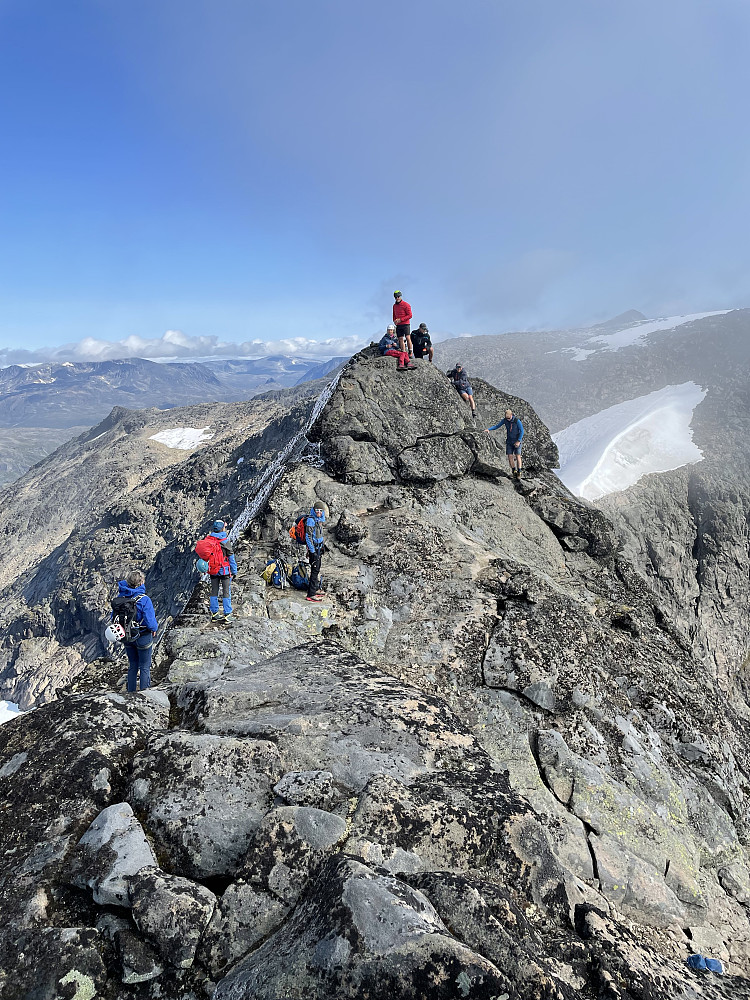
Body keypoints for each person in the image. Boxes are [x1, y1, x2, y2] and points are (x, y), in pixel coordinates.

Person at [115, 570, 158, 692]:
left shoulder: (121, 598)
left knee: (133, 665)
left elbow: (114, 616)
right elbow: (150, 622)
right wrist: (154, 629)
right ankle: (145, 694)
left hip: (127, 636)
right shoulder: (144, 600)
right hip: (143, 635)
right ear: (141, 583)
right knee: (144, 666)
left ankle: (131, 692)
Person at [202, 519, 238, 622]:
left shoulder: (209, 540)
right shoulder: (225, 541)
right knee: (226, 592)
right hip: (224, 570)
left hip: (213, 570)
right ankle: (227, 613)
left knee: (214, 591)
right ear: (222, 528)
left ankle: (214, 613)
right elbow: (231, 557)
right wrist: (234, 571)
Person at [485, 408, 525, 478]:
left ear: (511, 415)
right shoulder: (505, 420)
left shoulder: (517, 421)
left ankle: (519, 471)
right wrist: (489, 429)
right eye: (507, 418)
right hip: (509, 441)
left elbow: (522, 431)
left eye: (509, 418)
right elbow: (497, 426)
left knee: (517, 455)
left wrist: (518, 441)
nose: (508, 419)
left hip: (517, 440)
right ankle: (514, 471)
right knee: (510, 456)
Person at [305, 499, 327, 602]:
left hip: (319, 549)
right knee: (314, 571)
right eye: (317, 510)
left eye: (320, 510)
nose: (319, 512)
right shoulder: (311, 520)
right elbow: (308, 536)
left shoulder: (320, 520)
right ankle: (311, 594)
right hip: (314, 550)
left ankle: (315, 589)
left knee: (317, 569)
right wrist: (312, 551)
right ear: (314, 510)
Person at [392, 290, 413, 356]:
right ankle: (403, 352)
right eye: (396, 297)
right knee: (400, 338)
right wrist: (394, 320)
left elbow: (410, 315)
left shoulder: (406, 305)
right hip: (399, 324)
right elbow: (394, 315)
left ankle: (410, 351)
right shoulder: (394, 306)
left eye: (398, 296)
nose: (397, 298)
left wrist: (401, 319)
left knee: (407, 337)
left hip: (406, 324)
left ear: (400, 296)